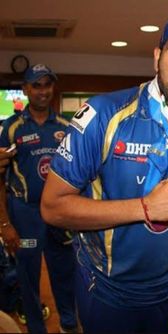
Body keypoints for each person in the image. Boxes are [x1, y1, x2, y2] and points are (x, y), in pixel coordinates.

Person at [40, 12, 168, 333]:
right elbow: (53, 208)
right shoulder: (104, 114)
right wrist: (145, 208)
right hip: (108, 294)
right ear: (157, 57)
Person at [0, 64, 78, 333]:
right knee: (27, 277)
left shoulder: (67, 128)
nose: (43, 91)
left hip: (59, 213)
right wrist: (5, 224)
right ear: (26, 90)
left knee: (64, 274)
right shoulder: (12, 129)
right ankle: (36, 328)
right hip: (25, 213)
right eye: (36, 85)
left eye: (47, 85)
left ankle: (69, 325)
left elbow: (76, 174)